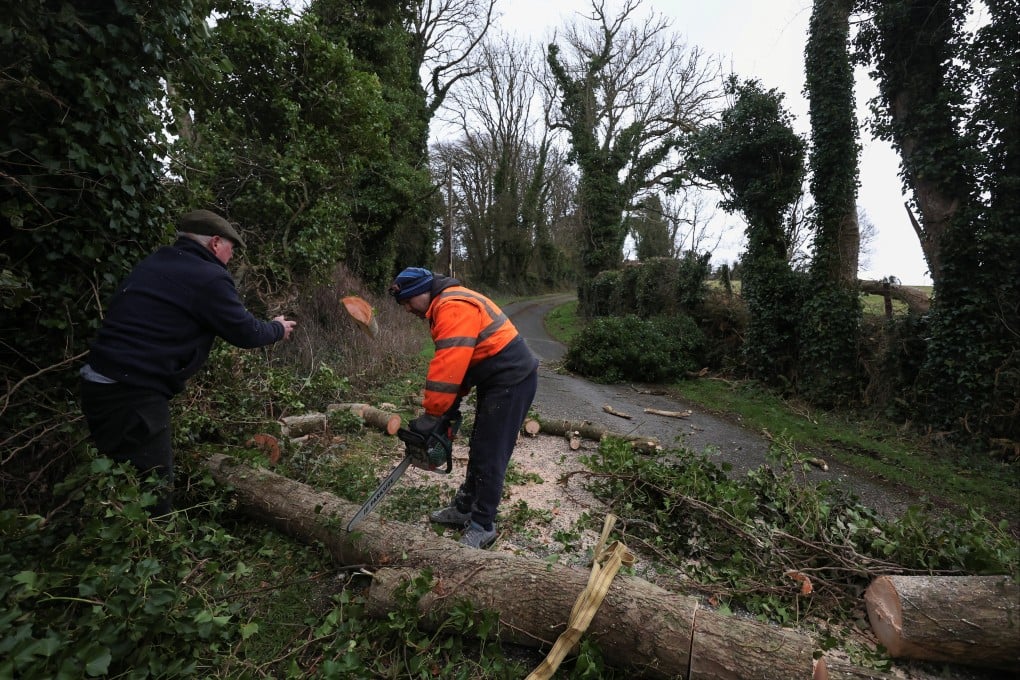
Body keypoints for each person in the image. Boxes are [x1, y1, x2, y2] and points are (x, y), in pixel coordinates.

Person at [79, 209, 297, 514]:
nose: (231, 258)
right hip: (132, 393)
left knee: (117, 478)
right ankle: (151, 551)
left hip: (97, 381)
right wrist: (277, 328)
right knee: (153, 489)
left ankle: (112, 537)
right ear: (215, 243)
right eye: (231, 249)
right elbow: (245, 332)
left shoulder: (156, 262)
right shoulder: (209, 277)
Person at [390, 267, 539, 548]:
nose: (407, 308)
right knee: (480, 445)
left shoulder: (452, 306)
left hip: (512, 378)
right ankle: (465, 507)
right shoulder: (444, 305)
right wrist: (451, 405)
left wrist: (434, 413)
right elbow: (462, 364)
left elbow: (448, 366)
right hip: (495, 377)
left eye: (408, 301)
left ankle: (483, 524)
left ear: (423, 292)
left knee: (491, 451)